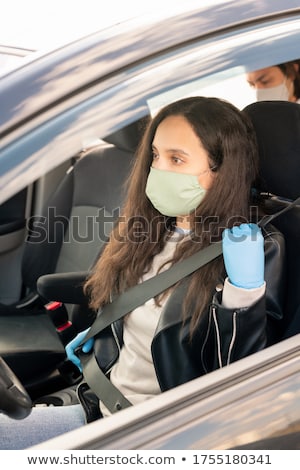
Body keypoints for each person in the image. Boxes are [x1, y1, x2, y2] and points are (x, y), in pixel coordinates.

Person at [0, 96, 285, 449]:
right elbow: (131, 306)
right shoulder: (151, 228)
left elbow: (238, 381)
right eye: (155, 156)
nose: (158, 170)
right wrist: (101, 331)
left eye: (176, 159)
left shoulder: (252, 248)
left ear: (221, 169)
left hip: (154, 435)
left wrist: (243, 296)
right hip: (97, 405)